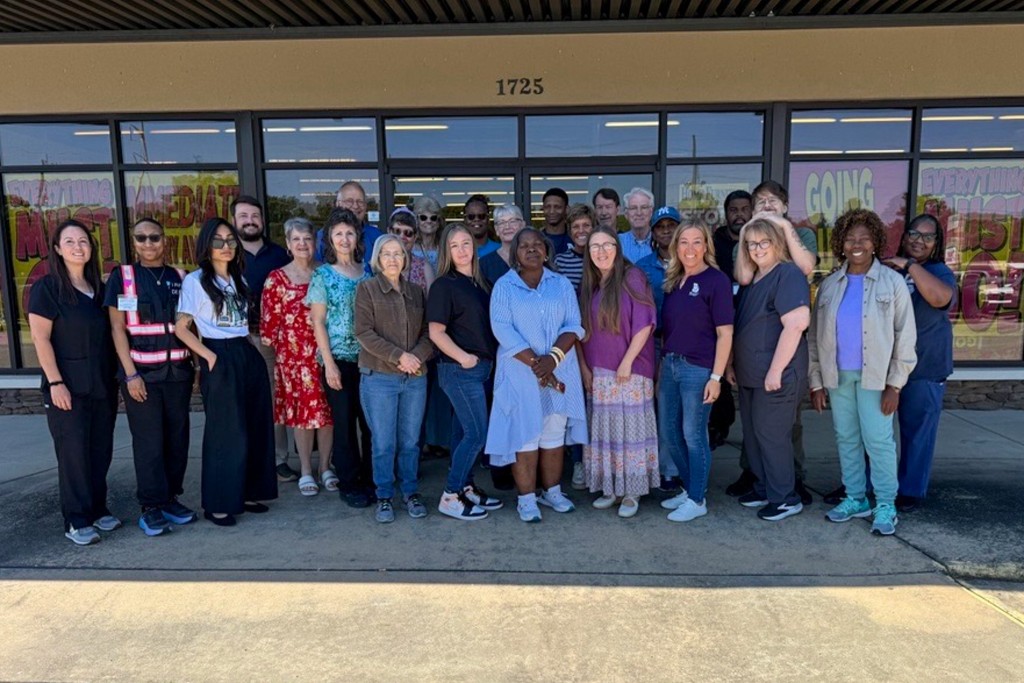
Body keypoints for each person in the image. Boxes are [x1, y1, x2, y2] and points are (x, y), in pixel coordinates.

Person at [809, 208, 917, 536]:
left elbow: (905, 336)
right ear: (841, 244)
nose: (856, 244)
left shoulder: (892, 282)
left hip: (876, 379)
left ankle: (885, 503)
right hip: (839, 376)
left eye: (864, 238)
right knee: (847, 439)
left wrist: (895, 385)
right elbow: (814, 337)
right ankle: (856, 497)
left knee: (879, 440)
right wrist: (817, 382)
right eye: (850, 238)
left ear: (875, 243)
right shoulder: (829, 286)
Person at [174, 217, 278, 527]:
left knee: (254, 426)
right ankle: (219, 503)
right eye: (218, 241)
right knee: (225, 432)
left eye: (230, 240)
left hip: (245, 352)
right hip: (218, 354)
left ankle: (246, 492)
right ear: (207, 246)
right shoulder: (195, 281)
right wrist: (207, 356)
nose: (226, 246)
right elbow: (181, 328)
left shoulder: (238, 279)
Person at [486, 228, 587, 523]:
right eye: (524, 246)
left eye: (536, 245)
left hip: (559, 369)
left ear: (546, 250)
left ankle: (552, 492)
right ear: (515, 253)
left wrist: (551, 360)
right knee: (525, 437)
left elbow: (574, 324)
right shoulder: (505, 287)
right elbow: (502, 329)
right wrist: (537, 365)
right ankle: (527, 499)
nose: (531, 250)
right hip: (520, 374)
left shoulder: (562, 284)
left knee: (553, 434)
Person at [29, 219, 119, 545]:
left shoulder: (99, 289)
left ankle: (97, 509)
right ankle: (76, 519)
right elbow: (40, 339)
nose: (78, 247)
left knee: (99, 449)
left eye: (83, 241)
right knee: (73, 454)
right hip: (66, 386)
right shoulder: (48, 288)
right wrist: (55, 383)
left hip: (101, 384)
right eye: (69, 241)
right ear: (57, 248)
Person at [105, 218, 195, 537]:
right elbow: (117, 328)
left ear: (164, 240)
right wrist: (130, 375)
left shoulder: (180, 277)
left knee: (177, 439)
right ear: (134, 242)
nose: (148, 243)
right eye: (141, 238)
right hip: (142, 376)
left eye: (154, 237)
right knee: (149, 443)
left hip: (177, 374)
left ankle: (170, 499)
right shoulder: (124, 277)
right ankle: (151, 507)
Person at [729, 180, 817, 505]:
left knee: (772, 436)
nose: (757, 248)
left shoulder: (788, 273)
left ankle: (784, 498)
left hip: (775, 374)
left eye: (764, 242)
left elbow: (796, 325)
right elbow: (742, 277)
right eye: (752, 244)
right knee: (754, 438)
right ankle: (765, 488)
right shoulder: (756, 277)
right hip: (752, 372)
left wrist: (776, 370)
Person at [656, 219, 735, 522]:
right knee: (670, 433)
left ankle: (697, 499)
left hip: (698, 369)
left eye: (697, 241)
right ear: (676, 246)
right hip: (670, 365)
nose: (690, 248)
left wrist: (716, 377)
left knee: (693, 433)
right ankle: (690, 490)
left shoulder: (716, 281)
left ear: (706, 246)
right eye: (684, 242)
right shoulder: (673, 282)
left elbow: (725, 333)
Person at [577, 227, 659, 518]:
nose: (601, 251)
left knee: (630, 434)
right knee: (607, 434)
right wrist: (585, 369)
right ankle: (611, 488)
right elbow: (580, 334)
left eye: (607, 245)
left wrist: (626, 361)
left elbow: (645, 324)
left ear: (617, 247)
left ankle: (632, 492)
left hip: (630, 371)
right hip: (598, 373)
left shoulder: (631, 276)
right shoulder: (592, 285)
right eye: (594, 246)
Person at [427, 223, 504, 520]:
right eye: (454, 245)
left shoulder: (481, 282)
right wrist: (464, 358)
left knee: (463, 433)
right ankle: (450, 495)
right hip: (459, 371)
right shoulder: (444, 284)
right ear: (447, 250)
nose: (462, 250)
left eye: (466, 243)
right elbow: (436, 332)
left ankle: (466, 487)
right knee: (476, 434)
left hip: (482, 370)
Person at [355, 235, 434, 523]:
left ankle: (410, 492)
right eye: (386, 253)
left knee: (411, 441)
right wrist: (399, 356)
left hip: (414, 377)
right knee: (384, 442)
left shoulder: (416, 292)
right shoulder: (367, 289)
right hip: (380, 378)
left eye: (397, 253)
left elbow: (428, 332)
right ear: (377, 258)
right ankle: (384, 496)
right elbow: (364, 333)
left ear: (405, 258)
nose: (392, 259)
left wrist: (416, 357)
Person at [261, 217, 335, 497]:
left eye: (307, 239)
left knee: (328, 415)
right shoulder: (277, 278)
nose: (303, 244)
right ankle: (305, 469)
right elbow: (268, 327)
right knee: (304, 417)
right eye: (296, 239)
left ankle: (326, 467)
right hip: (295, 360)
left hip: (327, 354)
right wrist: (286, 356)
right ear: (288, 244)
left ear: (315, 243)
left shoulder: (327, 272)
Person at [887, 214, 956, 512]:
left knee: (917, 432)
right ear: (904, 236)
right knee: (874, 430)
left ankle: (910, 490)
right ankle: (863, 483)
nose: (918, 239)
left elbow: (940, 299)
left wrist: (911, 266)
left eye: (927, 236)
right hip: (888, 365)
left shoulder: (940, 271)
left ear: (936, 243)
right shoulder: (891, 270)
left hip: (925, 366)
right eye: (914, 233)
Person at [308, 209, 374, 508]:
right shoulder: (322, 275)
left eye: (349, 233)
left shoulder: (368, 271)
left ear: (357, 237)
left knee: (371, 423)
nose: (345, 239)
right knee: (345, 424)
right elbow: (318, 321)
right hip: (339, 359)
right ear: (330, 240)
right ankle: (351, 482)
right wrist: (329, 363)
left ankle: (373, 478)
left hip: (370, 359)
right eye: (338, 234)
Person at [233, 195, 294, 483]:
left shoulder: (279, 255)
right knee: (239, 402)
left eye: (254, 216)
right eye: (243, 216)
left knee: (273, 400)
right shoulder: (226, 253)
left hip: (270, 339)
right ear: (234, 220)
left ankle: (278, 459)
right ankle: (244, 460)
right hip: (234, 338)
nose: (249, 220)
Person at [635, 205, 683, 493]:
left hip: (683, 344)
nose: (666, 231)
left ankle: (671, 469)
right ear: (652, 232)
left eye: (671, 225)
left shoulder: (691, 260)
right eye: (660, 226)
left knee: (673, 408)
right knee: (651, 406)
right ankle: (648, 467)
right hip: (651, 342)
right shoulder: (642, 266)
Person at [708, 190, 751, 452]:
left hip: (750, 320)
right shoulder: (715, 242)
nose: (739, 214)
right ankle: (719, 427)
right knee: (719, 378)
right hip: (720, 321)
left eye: (744, 209)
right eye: (733, 210)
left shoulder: (759, 240)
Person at [315, 181, 384, 266]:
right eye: (349, 201)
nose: (355, 206)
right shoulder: (322, 237)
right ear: (338, 204)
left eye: (360, 201)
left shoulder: (377, 236)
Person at [388, 207, 435, 291]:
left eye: (408, 233)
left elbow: (432, 302)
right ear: (389, 231)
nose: (402, 237)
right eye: (397, 231)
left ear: (415, 236)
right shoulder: (377, 266)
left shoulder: (425, 268)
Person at [480, 204, 526, 286]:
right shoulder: (485, 263)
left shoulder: (532, 257)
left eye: (512, 221)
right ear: (496, 229)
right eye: (501, 223)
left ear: (522, 225)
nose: (507, 226)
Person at [555, 203, 596, 293]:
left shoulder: (602, 258)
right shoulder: (560, 261)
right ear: (569, 232)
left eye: (586, 225)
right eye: (576, 227)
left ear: (594, 228)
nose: (581, 231)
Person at [618, 188, 655, 264]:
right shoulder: (617, 242)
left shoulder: (661, 241)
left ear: (651, 212)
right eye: (633, 208)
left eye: (644, 207)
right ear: (626, 214)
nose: (639, 213)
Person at [412, 195, 445, 269]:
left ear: (439, 222)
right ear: (417, 221)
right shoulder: (410, 247)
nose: (429, 221)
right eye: (423, 218)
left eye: (433, 218)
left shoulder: (445, 247)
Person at [540, 187, 570, 255]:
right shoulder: (536, 239)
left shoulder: (575, 238)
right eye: (547, 207)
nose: (552, 211)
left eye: (557, 207)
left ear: (566, 209)